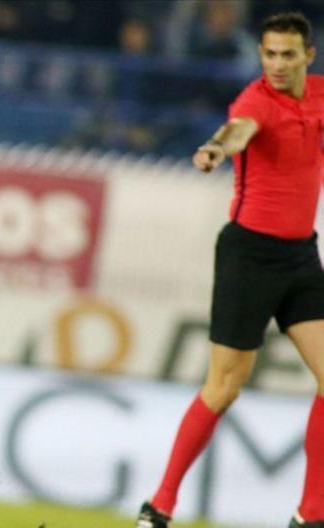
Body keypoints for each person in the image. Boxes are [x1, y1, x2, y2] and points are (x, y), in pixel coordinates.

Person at [136, 12, 324, 528]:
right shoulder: (255, 102)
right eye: (269, 54)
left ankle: (311, 514)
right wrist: (215, 148)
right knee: (223, 387)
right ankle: (160, 504)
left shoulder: (318, 95)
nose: (277, 64)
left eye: (287, 55)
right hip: (250, 257)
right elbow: (239, 131)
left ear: (308, 56)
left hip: (301, 256)